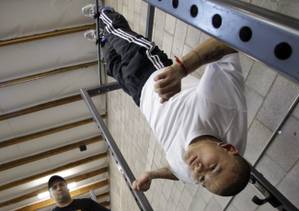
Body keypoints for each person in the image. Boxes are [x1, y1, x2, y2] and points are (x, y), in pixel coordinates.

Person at [82, 5, 251, 196]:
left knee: (111, 64)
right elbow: (228, 45)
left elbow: (177, 172)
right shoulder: (223, 110)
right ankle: (102, 13)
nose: (198, 170)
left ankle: (100, 39)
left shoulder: (189, 170)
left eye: (203, 180)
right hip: (150, 69)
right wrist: (182, 69)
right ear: (227, 147)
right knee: (118, 34)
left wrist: (152, 174)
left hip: (139, 95)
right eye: (212, 167)